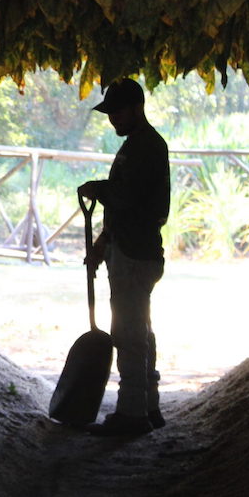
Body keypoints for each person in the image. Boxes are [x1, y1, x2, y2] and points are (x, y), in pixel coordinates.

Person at [77, 78, 170, 437]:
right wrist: (102, 244)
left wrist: (98, 189)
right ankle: (149, 403)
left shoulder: (146, 147)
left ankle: (132, 415)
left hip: (135, 253)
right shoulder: (139, 145)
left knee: (128, 333)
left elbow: (126, 198)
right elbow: (125, 206)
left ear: (137, 108)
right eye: (110, 112)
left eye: (118, 111)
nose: (113, 118)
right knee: (140, 328)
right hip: (133, 248)